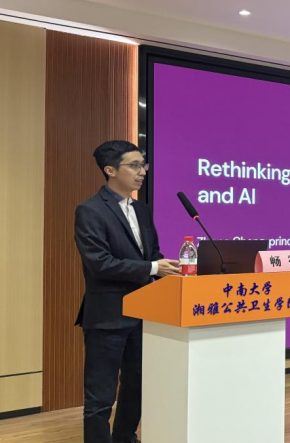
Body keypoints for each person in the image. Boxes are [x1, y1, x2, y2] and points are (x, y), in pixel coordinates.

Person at [74, 140, 180, 443]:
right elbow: (99, 263)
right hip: (108, 316)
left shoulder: (142, 210)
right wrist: (153, 268)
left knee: (137, 383)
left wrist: (171, 268)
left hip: (143, 313)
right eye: (134, 165)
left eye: (143, 165)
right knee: (101, 394)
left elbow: (152, 255)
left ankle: (125, 437)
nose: (142, 171)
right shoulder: (90, 210)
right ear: (110, 170)